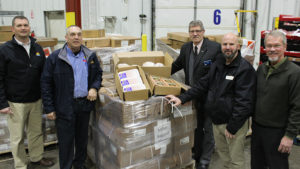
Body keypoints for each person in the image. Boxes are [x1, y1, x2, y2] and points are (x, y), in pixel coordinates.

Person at [167, 33, 256, 169]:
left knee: (235, 161)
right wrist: (182, 98)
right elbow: (203, 83)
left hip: (232, 124)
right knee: (224, 157)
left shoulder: (244, 69)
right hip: (216, 121)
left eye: (231, 44)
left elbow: (244, 102)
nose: (228, 47)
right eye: (225, 44)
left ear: (238, 46)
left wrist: (232, 127)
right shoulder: (219, 62)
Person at [41, 25, 103, 169]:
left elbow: (98, 74)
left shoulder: (90, 56)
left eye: (79, 34)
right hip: (64, 106)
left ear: (82, 37)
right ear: (66, 38)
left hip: (84, 105)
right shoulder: (55, 58)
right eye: (72, 34)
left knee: (82, 140)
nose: (76, 37)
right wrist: (49, 108)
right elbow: (45, 83)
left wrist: (94, 87)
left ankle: (79, 165)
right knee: (66, 142)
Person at [0, 16, 54, 169]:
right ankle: (21, 165)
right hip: (15, 102)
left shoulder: (37, 48)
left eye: (25, 25)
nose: (23, 28)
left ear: (29, 27)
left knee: (36, 132)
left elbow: (44, 74)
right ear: (13, 29)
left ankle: (37, 158)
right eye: (19, 25)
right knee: (17, 137)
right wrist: (2, 103)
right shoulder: (5, 50)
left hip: (36, 100)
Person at [171, 20, 221, 169]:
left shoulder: (214, 48)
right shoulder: (186, 48)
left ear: (203, 32)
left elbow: (213, 76)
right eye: (192, 31)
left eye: (198, 31)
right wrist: (157, 74)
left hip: (209, 97)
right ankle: (196, 154)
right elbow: (177, 65)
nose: (195, 33)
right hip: (192, 97)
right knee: (196, 127)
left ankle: (205, 161)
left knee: (208, 129)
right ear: (189, 33)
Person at [251, 30, 300, 169]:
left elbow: (297, 107)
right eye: (269, 46)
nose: (272, 49)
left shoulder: (295, 73)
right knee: (257, 165)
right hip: (258, 129)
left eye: (276, 45)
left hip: (278, 133)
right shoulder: (261, 69)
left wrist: (289, 136)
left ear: (284, 47)